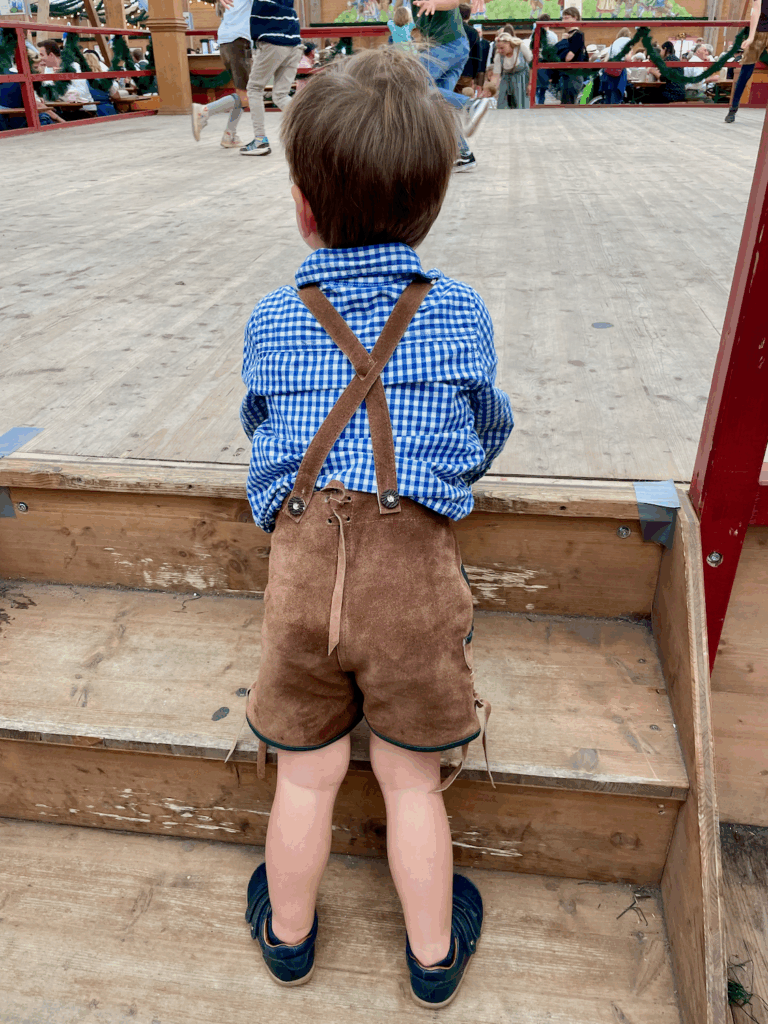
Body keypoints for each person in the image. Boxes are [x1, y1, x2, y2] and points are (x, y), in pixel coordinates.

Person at [237, 45, 513, 1009]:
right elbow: (485, 427)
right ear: (434, 203)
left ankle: (288, 936)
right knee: (409, 784)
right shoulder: (462, 312)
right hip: (413, 584)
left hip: (302, 575)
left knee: (304, 784)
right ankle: (433, 958)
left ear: (304, 207)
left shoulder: (274, 318)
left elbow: (261, 433)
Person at [413, 0, 489, 173]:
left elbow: (453, 2)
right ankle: (464, 154)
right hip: (454, 48)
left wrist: (434, 3)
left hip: (447, 46)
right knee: (440, 103)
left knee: (415, 84)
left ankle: (471, 105)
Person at [238, 0, 303, 155]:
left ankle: (260, 141)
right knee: (281, 95)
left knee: (254, 88)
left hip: (272, 41)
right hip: (294, 44)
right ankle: (311, 127)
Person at [192, 0, 252, 149]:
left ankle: (229, 135)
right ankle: (205, 111)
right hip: (239, 41)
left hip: (227, 41)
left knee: (245, 92)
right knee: (248, 94)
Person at [726, 0, 768, 122]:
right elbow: (756, 10)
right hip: (760, 32)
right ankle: (733, 109)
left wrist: (750, 36)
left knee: (745, 72)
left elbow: (756, 10)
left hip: (759, 32)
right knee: (745, 71)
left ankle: (733, 109)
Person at [489, 32, 531, 108]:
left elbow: (532, 65)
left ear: (509, 44)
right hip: (506, 80)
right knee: (503, 102)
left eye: (502, 48)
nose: (500, 51)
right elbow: (496, 74)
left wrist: (530, 84)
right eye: (498, 48)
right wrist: (491, 89)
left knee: (521, 104)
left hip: (522, 80)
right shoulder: (499, 55)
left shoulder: (520, 47)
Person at [559, 7, 587, 105]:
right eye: (563, 18)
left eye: (566, 18)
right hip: (569, 76)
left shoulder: (577, 35)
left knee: (568, 106)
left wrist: (564, 41)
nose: (563, 21)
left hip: (573, 76)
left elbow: (568, 58)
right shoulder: (571, 35)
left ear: (575, 18)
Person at [645, 39, 686, 103]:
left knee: (649, 95)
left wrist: (654, 72)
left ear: (665, 49)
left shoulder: (668, 60)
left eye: (661, 50)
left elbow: (663, 78)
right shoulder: (676, 59)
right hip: (681, 92)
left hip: (672, 94)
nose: (660, 52)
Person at [600, 27, 630, 104]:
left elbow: (605, 60)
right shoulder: (627, 42)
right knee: (616, 99)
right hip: (618, 73)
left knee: (608, 99)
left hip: (608, 73)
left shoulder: (613, 44)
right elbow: (628, 58)